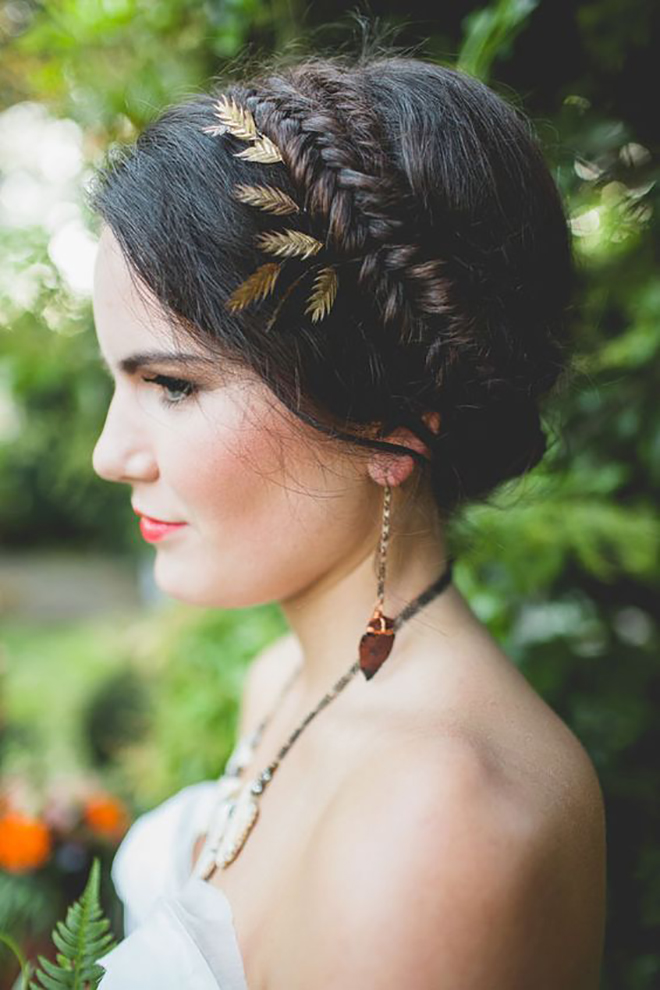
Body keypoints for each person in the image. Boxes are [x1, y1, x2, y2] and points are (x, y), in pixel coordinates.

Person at [86, 49, 606, 989]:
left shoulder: (437, 821)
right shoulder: (286, 675)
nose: (109, 454)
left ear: (384, 417)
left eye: (171, 384)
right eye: (117, 381)